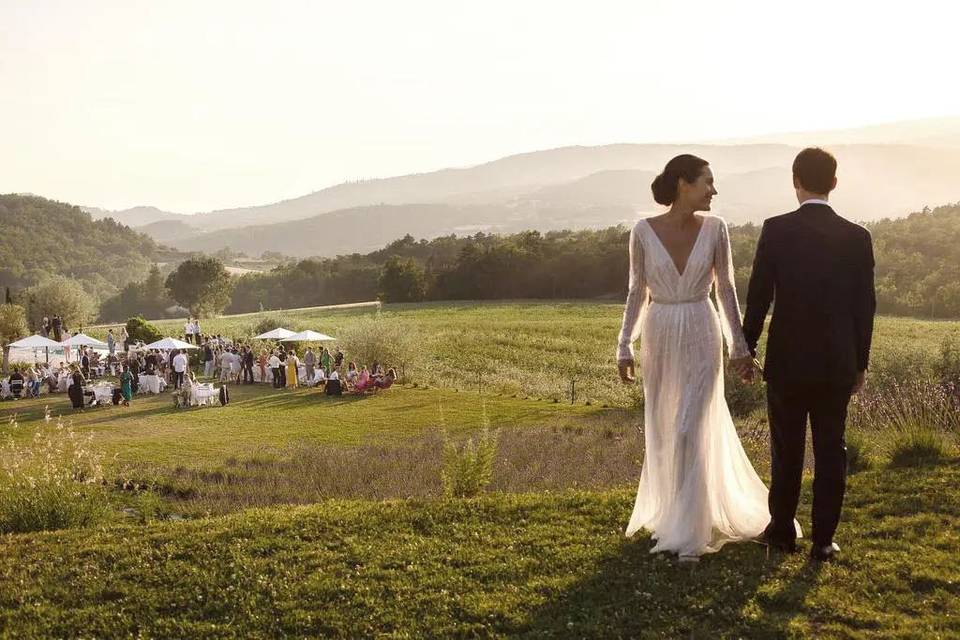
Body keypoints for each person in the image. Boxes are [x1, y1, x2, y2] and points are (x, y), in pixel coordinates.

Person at [617, 154, 783, 561]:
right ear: (682, 184)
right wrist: (625, 344)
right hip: (659, 331)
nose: (714, 190)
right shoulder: (642, 230)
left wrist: (740, 350)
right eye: (707, 181)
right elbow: (637, 290)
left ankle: (689, 532)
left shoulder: (716, 229)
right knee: (665, 423)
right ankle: (673, 513)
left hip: (699, 327)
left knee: (691, 423)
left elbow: (725, 290)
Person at [742, 148, 876, 563]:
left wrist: (747, 348)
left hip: (787, 361)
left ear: (794, 181)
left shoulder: (776, 229)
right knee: (831, 449)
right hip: (837, 361)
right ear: (834, 183)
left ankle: (781, 532)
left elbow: (759, 296)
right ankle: (823, 540)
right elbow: (864, 305)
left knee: (788, 449)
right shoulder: (857, 236)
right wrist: (860, 362)